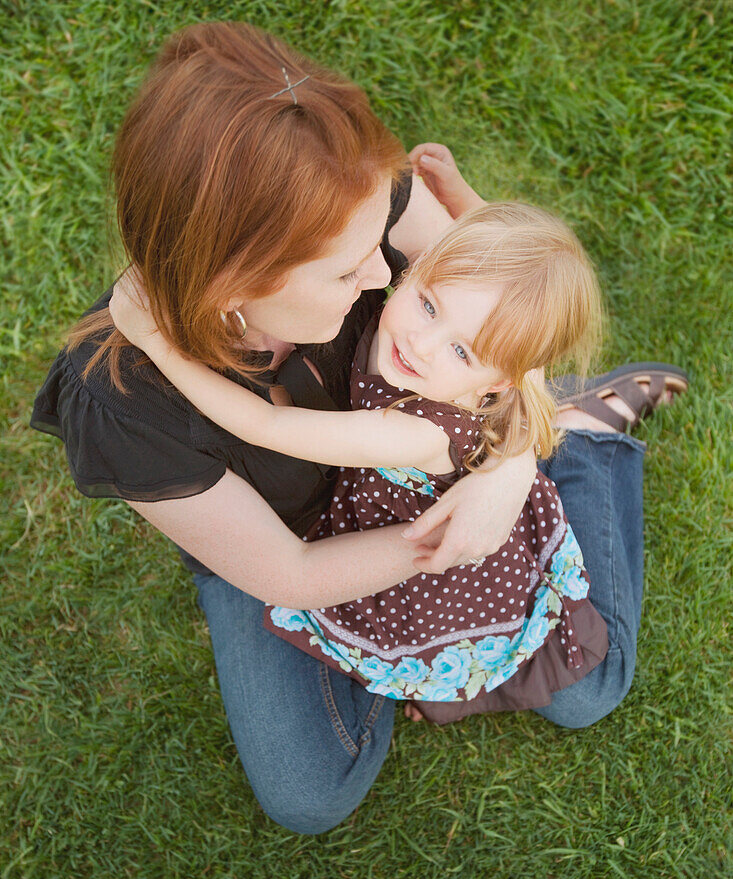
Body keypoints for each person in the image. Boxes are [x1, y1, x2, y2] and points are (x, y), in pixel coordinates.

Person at [31, 22, 686, 834]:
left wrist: (506, 466)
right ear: (235, 281)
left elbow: (507, 313)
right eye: (348, 272)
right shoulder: (121, 401)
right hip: (279, 542)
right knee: (311, 795)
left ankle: (578, 434)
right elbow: (291, 574)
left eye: (377, 241)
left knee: (586, 690)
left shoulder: (348, 197)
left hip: (440, 469)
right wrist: (440, 568)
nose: (385, 275)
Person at [108, 201, 614, 724]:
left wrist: (157, 345)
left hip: (426, 559)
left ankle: (595, 442)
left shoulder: (417, 431)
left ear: (500, 383)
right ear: (416, 267)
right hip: (417, 504)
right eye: (429, 306)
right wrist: (457, 191)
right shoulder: (418, 338)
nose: (421, 342)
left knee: (443, 643)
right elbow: (491, 265)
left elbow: (267, 426)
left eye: (462, 352)